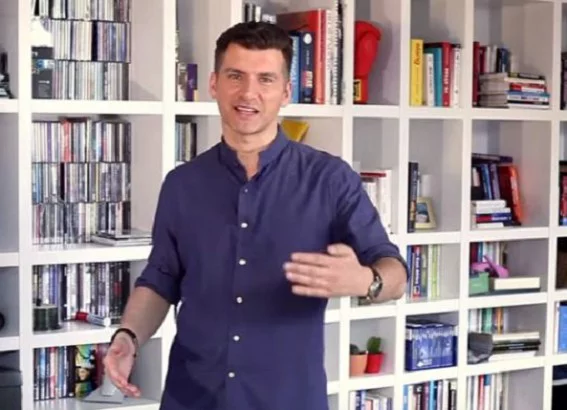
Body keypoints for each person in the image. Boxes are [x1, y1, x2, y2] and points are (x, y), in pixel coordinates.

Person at [103, 20, 408, 410]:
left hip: (288, 400)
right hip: (193, 398)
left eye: (265, 79)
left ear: (285, 92)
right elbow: (160, 278)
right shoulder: (182, 184)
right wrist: (128, 336)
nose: (248, 93)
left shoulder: (330, 179)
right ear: (214, 84)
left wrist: (366, 280)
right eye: (235, 76)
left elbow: (395, 274)